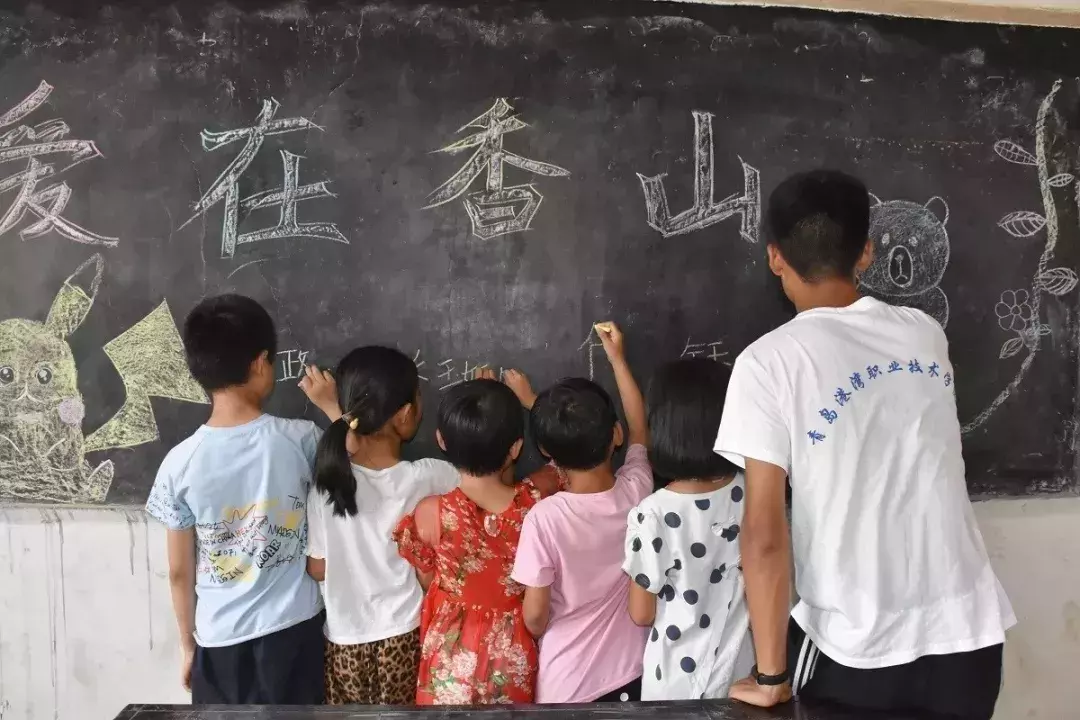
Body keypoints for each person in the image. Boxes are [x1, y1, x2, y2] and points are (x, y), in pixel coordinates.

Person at [715, 170, 1015, 719]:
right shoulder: (924, 332)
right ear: (868, 253)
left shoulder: (767, 363)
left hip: (858, 648)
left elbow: (763, 535)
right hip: (969, 636)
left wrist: (772, 675)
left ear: (775, 256)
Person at [145, 294, 324, 704]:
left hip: (220, 638)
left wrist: (187, 644)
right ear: (260, 363)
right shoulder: (301, 440)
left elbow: (178, 571)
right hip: (294, 630)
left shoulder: (180, 463)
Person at [299, 346, 460, 705]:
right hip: (406, 632)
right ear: (404, 415)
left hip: (344, 641)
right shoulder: (429, 476)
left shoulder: (326, 484)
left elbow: (318, 568)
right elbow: (481, 482)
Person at [393, 371, 560, 705]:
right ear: (515, 448)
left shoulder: (430, 513)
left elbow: (429, 579)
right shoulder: (537, 502)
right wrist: (530, 401)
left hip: (449, 650)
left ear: (441, 440)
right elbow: (568, 453)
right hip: (512, 649)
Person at [512, 321, 652, 703]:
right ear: (615, 435)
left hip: (568, 685)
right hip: (634, 673)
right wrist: (619, 361)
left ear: (544, 452)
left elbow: (535, 618)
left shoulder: (544, 518)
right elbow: (640, 430)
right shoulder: (638, 490)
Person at [623, 357, 752, 700]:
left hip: (673, 685)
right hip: (742, 672)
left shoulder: (653, 514)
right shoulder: (753, 492)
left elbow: (641, 613)